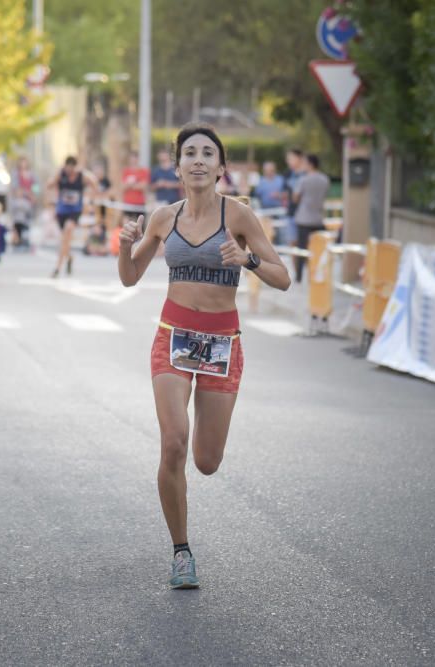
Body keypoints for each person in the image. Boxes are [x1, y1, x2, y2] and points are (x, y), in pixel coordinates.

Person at [117, 122, 290, 589]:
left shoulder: (239, 217)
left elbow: (283, 276)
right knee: (173, 441)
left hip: (221, 344)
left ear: (220, 167)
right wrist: (123, 246)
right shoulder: (162, 218)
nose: (197, 159)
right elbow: (130, 277)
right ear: (176, 166)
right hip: (172, 337)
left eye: (207, 153)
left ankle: (191, 504)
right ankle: (181, 551)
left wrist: (247, 261)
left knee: (206, 460)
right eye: (189, 152)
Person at [47, 156, 97, 277]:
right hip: (61, 211)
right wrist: (51, 205)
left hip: (75, 211)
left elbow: (94, 182)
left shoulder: (82, 176)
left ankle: (57, 268)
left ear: (75, 167)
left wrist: (90, 201)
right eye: (68, 169)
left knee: (68, 231)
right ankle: (69, 257)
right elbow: (49, 185)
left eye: (72, 169)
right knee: (65, 240)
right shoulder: (61, 174)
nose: (70, 172)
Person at [292, 153, 330, 283]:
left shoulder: (303, 180)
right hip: (318, 218)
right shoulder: (325, 179)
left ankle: (299, 276)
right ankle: (319, 274)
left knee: (302, 249)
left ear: (310, 164)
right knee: (319, 249)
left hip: (304, 218)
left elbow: (295, 197)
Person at [120, 151, 149, 220]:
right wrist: (136, 184)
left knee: (140, 224)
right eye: (131, 158)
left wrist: (130, 185)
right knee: (126, 224)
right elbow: (122, 187)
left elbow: (143, 186)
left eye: (135, 158)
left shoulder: (143, 171)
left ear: (138, 159)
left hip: (139, 202)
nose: (133, 160)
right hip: (127, 203)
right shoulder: (126, 171)